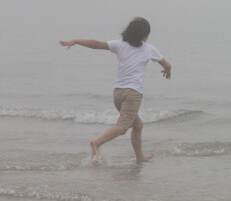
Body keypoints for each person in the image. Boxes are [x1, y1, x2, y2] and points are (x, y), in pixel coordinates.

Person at [59, 17, 172, 163]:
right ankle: (97, 142)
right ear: (145, 36)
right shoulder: (149, 49)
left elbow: (97, 44)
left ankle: (140, 157)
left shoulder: (120, 45)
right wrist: (167, 71)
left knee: (138, 125)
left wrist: (76, 41)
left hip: (118, 94)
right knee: (122, 127)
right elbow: (167, 65)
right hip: (133, 94)